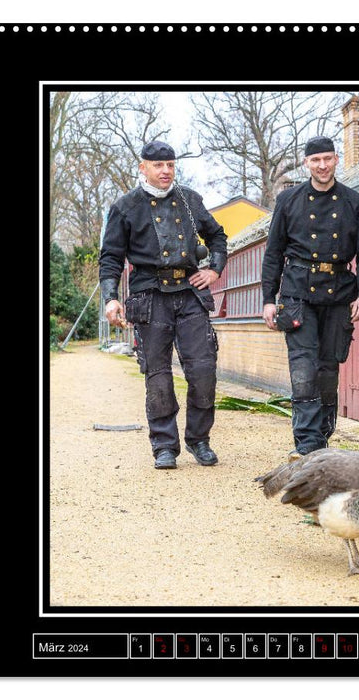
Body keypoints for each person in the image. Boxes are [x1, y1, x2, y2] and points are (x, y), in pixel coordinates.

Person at [99, 140, 228, 469]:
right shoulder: (125, 207)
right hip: (148, 295)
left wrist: (213, 268)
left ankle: (199, 440)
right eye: (158, 165)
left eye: (170, 165)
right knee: (157, 375)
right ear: (143, 167)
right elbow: (111, 257)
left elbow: (217, 236)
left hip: (189, 292)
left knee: (203, 370)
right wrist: (111, 297)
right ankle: (164, 446)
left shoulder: (189, 199)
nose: (166, 171)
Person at [261, 136, 359, 458]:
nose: (322, 166)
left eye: (327, 159)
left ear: (336, 159)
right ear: (306, 163)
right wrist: (268, 299)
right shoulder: (288, 201)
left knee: (328, 370)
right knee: (303, 369)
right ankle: (307, 445)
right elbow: (273, 254)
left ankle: (322, 438)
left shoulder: (355, 202)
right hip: (298, 292)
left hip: (339, 293)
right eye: (316, 160)